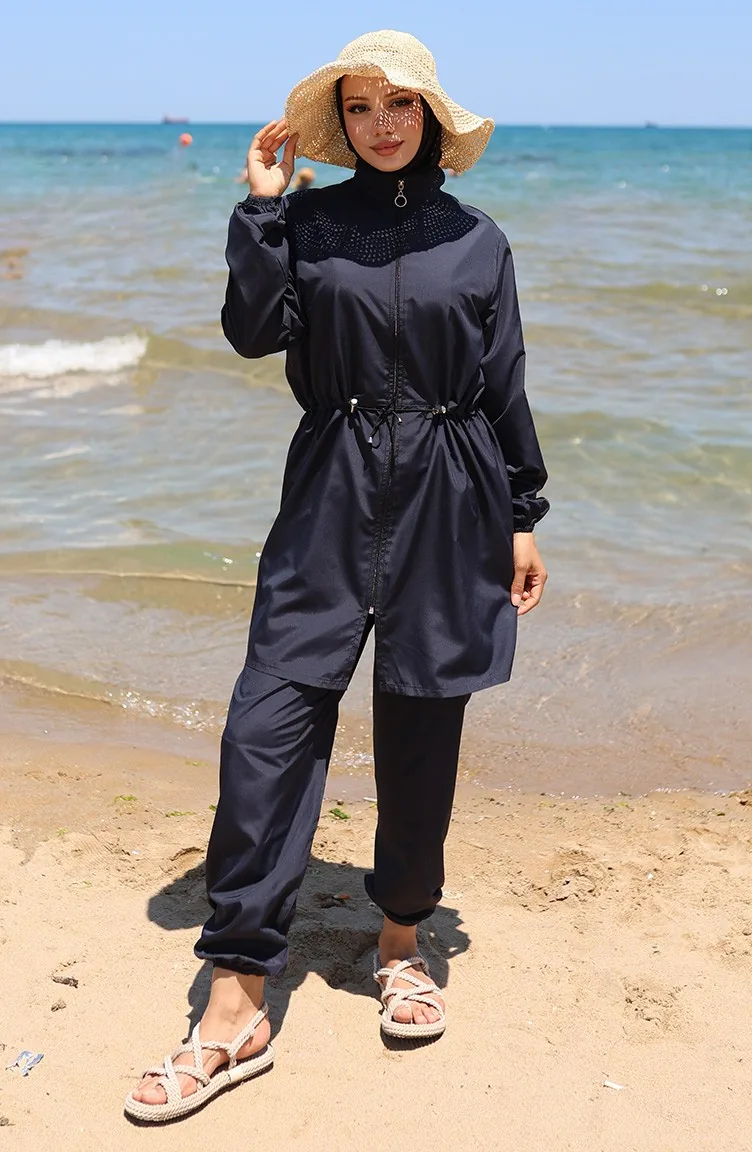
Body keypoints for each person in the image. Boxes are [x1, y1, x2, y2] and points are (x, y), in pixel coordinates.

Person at [125, 29, 549, 1123]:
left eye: (399, 105)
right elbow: (252, 332)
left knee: (421, 727)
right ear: (340, 123)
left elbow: (502, 382)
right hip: (329, 490)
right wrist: (262, 212)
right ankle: (234, 998)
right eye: (359, 107)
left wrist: (521, 515)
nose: (380, 124)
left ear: (431, 119)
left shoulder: (479, 241)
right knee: (265, 726)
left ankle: (401, 941)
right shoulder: (306, 226)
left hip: (452, 497)